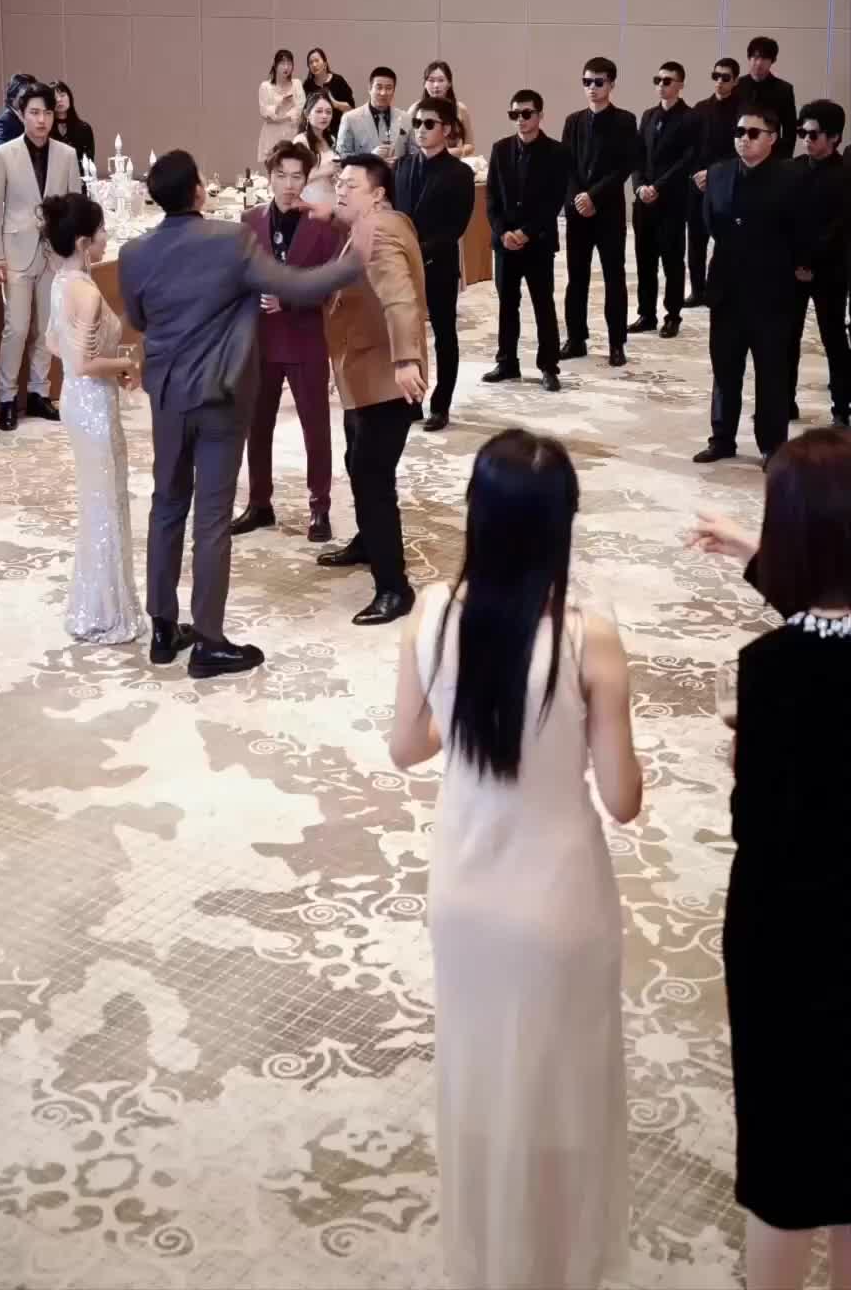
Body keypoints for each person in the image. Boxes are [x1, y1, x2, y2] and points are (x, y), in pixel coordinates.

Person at [389, 429, 641, 1290]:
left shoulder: (432, 614)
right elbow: (622, 798)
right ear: (562, 526)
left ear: (478, 517)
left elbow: (406, 747)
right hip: (559, 904)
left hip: (464, 894)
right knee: (564, 1086)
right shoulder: (589, 640)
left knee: (480, 1079)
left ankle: (488, 1258)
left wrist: (463, 708)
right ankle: (556, 1263)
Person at [688, 431, 851, 1290]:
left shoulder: (770, 671)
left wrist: (741, 752)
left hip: (785, 935)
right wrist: (756, 553)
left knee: (784, 1154)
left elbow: (757, 819)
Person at [118, 150, 371, 678]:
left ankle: (162, 629)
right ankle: (208, 642)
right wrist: (353, 260)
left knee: (166, 506)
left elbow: (138, 319)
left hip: (167, 396)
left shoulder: (133, 252)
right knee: (211, 518)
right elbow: (295, 285)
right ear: (198, 191)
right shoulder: (231, 239)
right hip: (221, 394)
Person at [319, 153, 427, 624]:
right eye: (339, 183)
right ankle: (368, 542)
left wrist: (406, 359)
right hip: (363, 371)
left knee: (372, 476)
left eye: (351, 185)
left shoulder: (379, 230)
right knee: (357, 462)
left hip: (387, 377)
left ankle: (394, 588)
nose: (340, 191)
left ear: (378, 193)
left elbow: (400, 298)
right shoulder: (368, 224)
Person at [41, 193, 145, 646]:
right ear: (84, 242)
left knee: (99, 501)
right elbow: (83, 363)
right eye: (101, 231)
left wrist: (105, 362)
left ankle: (95, 605)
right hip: (92, 406)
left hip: (78, 401)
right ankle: (105, 612)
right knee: (105, 504)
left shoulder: (62, 282)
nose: (106, 238)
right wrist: (126, 364)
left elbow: (53, 343)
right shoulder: (84, 291)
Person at [231, 141, 339, 545]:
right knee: (257, 426)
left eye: (297, 177)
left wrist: (289, 299)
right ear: (269, 177)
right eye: (282, 176)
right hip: (260, 340)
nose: (289, 185)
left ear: (307, 179)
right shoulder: (249, 221)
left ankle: (320, 506)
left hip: (305, 338)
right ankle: (259, 503)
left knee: (316, 427)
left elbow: (330, 286)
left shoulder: (322, 225)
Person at [693, 100, 807, 466]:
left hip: (771, 292)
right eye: (739, 132)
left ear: (772, 138)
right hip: (726, 288)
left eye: (753, 133)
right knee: (725, 369)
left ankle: (772, 446)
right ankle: (722, 438)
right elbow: (711, 222)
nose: (744, 139)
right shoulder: (719, 173)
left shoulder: (791, 178)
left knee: (771, 372)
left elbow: (800, 231)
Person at [0, 81, 81, 431]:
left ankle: (39, 392)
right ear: (22, 115)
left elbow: (74, 205)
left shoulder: (66, 154)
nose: (41, 120)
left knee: (46, 327)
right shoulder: (4, 154)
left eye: (47, 113)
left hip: (53, 253)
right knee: (17, 327)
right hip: (16, 251)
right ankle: (7, 397)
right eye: (34, 113)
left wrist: (73, 251)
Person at [393, 97, 475, 431]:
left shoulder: (460, 173)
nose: (421, 130)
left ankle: (441, 405)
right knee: (406, 334)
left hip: (438, 263)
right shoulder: (401, 167)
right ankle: (411, 400)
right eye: (417, 123)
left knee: (444, 335)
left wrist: (419, 250)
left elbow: (456, 226)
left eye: (429, 124)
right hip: (402, 267)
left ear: (448, 129)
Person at [484, 89, 569, 391]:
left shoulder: (557, 152)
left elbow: (554, 201)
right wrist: (502, 232)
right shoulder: (500, 149)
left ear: (540, 115)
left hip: (539, 242)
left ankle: (549, 366)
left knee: (543, 304)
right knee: (507, 304)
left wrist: (527, 232)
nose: (520, 119)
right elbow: (491, 197)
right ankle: (507, 362)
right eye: (514, 114)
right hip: (505, 244)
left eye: (526, 113)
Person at [561, 58, 636, 366]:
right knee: (576, 277)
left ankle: (617, 343)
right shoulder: (573, 121)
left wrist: (593, 196)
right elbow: (566, 165)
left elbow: (624, 166)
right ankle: (576, 338)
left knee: (613, 277)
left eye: (598, 82)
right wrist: (578, 198)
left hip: (608, 211)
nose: (592, 88)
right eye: (587, 82)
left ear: (611, 84)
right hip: (578, 212)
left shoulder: (625, 121)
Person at [787, 99, 851, 426]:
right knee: (786, 338)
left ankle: (842, 409)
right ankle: (785, 403)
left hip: (830, 270)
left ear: (835, 137)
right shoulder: (792, 169)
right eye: (802, 133)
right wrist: (796, 262)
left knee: (834, 339)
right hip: (792, 269)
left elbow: (840, 227)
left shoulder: (846, 175)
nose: (806, 140)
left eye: (813, 135)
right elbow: (782, 220)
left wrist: (810, 262)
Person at [629, 61, 693, 339]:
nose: (661, 85)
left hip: (671, 201)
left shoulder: (690, 118)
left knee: (672, 261)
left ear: (680, 85)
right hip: (644, 201)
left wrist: (658, 187)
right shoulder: (648, 115)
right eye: (658, 80)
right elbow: (637, 155)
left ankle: (672, 315)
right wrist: (640, 186)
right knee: (645, 260)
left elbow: (687, 159)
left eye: (667, 81)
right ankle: (646, 314)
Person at [686, 57, 741, 306]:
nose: (719, 81)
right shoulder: (700, 108)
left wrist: (713, 174)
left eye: (725, 77)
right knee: (695, 240)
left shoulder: (743, 111)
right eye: (715, 76)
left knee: (724, 239)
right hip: (698, 182)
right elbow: (690, 148)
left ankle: (720, 290)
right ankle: (697, 290)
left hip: (727, 184)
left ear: (735, 81)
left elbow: (739, 152)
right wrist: (697, 174)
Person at [336, 66, 412, 162]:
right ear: (369, 88)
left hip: (398, 171)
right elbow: (342, 156)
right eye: (379, 87)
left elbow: (414, 155)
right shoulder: (350, 118)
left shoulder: (406, 118)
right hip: (364, 171)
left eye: (388, 88)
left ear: (394, 91)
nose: (383, 93)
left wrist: (400, 163)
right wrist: (370, 157)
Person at [407, 60, 474, 157]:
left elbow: (470, 144)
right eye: (431, 80)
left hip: (452, 162)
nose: (436, 85)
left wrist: (456, 151)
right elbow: (408, 145)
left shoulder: (460, 109)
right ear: (425, 84)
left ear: (449, 84)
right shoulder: (415, 109)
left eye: (441, 80)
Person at [744, 37, 796, 159]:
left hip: (772, 155)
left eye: (764, 58)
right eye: (755, 57)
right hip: (741, 153)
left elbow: (790, 130)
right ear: (749, 58)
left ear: (773, 61)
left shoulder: (784, 89)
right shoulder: (736, 86)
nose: (759, 63)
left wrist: (784, 159)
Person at [257, 49, 305, 167]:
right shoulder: (265, 87)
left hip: (292, 135)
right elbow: (265, 116)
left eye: (289, 63)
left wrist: (277, 116)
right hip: (271, 137)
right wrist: (281, 105)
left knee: (294, 169)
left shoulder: (297, 84)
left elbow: (301, 110)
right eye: (282, 63)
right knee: (273, 170)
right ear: (275, 64)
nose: (286, 67)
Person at [295, 90, 339, 206]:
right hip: (310, 203)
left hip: (332, 200)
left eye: (328, 112)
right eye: (319, 111)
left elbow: (333, 170)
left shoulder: (331, 139)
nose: (324, 116)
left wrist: (336, 176)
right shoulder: (301, 141)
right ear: (307, 114)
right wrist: (326, 170)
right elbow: (295, 178)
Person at [302, 48, 354, 125]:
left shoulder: (338, 80)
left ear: (325, 63)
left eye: (317, 61)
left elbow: (351, 107)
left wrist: (335, 103)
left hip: (337, 128)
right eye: (311, 62)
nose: (314, 65)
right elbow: (305, 111)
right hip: (315, 128)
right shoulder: (307, 85)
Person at [52, 82, 95, 169]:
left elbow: (89, 161)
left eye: (62, 95)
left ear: (70, 98)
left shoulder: (84, 128)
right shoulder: (46, 129)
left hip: (79, 176)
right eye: (54, 97)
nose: (59, 100)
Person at [0, 71, 37, 150]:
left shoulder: (30, 116)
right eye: (26, 95)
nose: (30, 99)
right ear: (13, 96)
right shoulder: (3, 121)